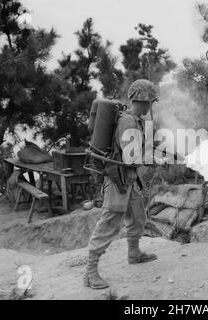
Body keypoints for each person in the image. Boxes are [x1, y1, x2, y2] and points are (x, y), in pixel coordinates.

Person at [84, 79, 159, 289]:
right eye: (150, 101)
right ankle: (90, 272)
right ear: (143, 101)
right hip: (118, 180)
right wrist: (150, 159)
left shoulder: (136, 120)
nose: (151, 106)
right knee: (110, 223)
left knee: (137, 217)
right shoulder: (127, 121)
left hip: (129, 179)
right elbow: (131, 156)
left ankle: (134, 253)